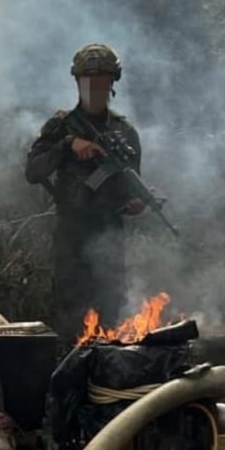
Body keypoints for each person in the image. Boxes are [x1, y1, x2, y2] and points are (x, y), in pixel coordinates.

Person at [25, 43, 145, 342]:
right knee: (72, 319)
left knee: (112, 317)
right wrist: (68, 146)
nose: (94, 88)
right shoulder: (61, 126)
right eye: (88, 80)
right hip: (72, 235)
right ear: (77, 82)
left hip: (109, 235)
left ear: (112, 83)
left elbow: (132, 182)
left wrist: (136, 202)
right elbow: (33, 171)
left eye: (101, 81)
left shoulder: (124, 133)